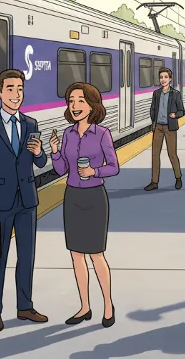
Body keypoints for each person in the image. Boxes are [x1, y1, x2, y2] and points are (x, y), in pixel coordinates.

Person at [0, 69, 48, 332]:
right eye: (11, 88)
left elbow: (40, 162)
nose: (16, 94)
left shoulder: (31, 125)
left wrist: (39, 153)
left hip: (27, 201)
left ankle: (24, 306)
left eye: (20, 89)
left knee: (27, 257)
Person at [50, 82, 120, 328]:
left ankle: (108, 305)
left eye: (80, 100)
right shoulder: (68, 134)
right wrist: (55, 152)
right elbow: (62, 170)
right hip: (72, 197)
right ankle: (85, 307)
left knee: (96, 254)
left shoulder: (102, 134)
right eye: (71, 101)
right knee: (76, 255)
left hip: (94, 198)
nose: (75, 106)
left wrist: (94, 170)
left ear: (92, 104)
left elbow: (114, 167)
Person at [144, 67, 185, 191]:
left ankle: (178, 177)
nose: (163, 79)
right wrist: (153, 121)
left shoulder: (175, 94)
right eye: (161, 77)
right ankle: (154, 181)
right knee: (155, 154)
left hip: (170, 128)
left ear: (170, 79)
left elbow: (182, 111)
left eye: (166, 77)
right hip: (158, 127)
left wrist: (175, 115)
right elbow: (153, 109)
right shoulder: (156, 93)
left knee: (172, 154)